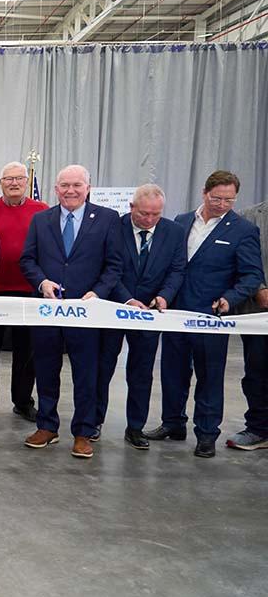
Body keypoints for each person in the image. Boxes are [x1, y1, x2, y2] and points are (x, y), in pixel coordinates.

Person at [148, 171, 263, 458]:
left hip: (211, 315)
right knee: (172, 371)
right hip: (176, 311)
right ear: (204, 193)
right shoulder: (181, 221)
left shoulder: (243, 230)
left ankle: (207, 433)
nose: (223, 204)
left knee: (209, 376)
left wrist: (229, 299)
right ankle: (172, 423)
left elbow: (251, 275)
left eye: (229, 199)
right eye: (217, 198)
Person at [19, 164, 122, 459]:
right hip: (48, 311)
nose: (71, 190)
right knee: (46, 370)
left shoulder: (107, 219)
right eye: (65, 185)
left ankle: (83, 432)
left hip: (87, 313)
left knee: (86, 374)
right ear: (56, 189)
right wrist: (41, 282)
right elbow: (28, 260)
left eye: (77, 185)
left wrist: (98, 292)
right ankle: (47, 426)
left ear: (88, 187)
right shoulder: (41, 220)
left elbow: (114, 265)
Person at [95, 184, 186, 450]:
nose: (148, 219)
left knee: (141, 372)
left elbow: (177, 270)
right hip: (114, 309)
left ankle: (135, 427)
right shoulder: (114, 227)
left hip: (150, 313)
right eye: (144, 213)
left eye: (155, 214)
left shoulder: (174, 232)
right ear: (131, 207)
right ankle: (94, 422)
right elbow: (108, 267)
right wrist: (126, 299)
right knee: (103, 368)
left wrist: (164, 297)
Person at [0, 161, 49, 422]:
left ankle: (22, 401)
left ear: (26, 181)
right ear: (0, 183)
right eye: (8, 179)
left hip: (29, 291)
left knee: (26, 351)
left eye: (19, 178)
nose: (14, 183)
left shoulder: (41, 211)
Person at [227, 199, 268, 451]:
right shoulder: (247, 218)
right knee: (258, 373)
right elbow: (235, 263)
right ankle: (259, 429)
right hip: (257, 311)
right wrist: (260, 289)